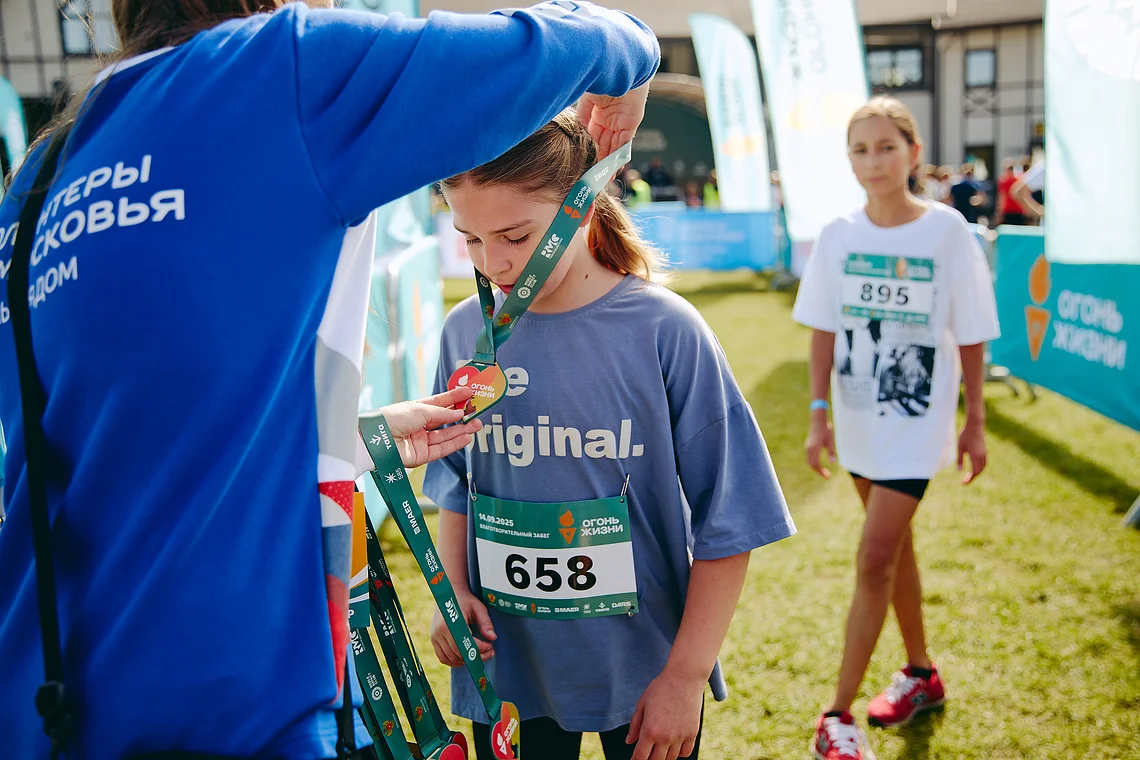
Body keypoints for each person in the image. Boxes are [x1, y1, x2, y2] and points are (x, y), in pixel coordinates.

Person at [0, 1, 661, 757]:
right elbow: (576, 39)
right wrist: (627, 80)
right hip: (234, 692)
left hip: (44, 694)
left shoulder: (43, 174)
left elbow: (112, 440)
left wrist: (354, 438)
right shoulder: (283, 69)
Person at [424, 111, 796, 760]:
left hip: (647, 672)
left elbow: (731, 519)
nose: (494, 263)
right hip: (508, 669)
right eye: (471, 239)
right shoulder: (467, 333)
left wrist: (684, 676)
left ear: (584, 207)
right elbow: (456, 485)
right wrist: (452, 590)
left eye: (515, 235)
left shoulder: (665, 330)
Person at [791, 96, 999, 760]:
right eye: (860, 149)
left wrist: (975, 423)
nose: (873, 161)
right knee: (897, 550)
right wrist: (818, 415)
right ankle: (921, 673)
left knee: (875, 557)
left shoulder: (947, 232)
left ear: (913, 152)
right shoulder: (839, 235)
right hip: (856, 420)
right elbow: (824, 328)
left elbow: (970, 332)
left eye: (886, 146)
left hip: (915, 420)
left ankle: (836, 716)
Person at [995, 158, 1029, 225]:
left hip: (1008, 211)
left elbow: (1002, 197)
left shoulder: (1003, 181)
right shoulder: (1019, 179)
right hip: (1019, 210)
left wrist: (999, 212)